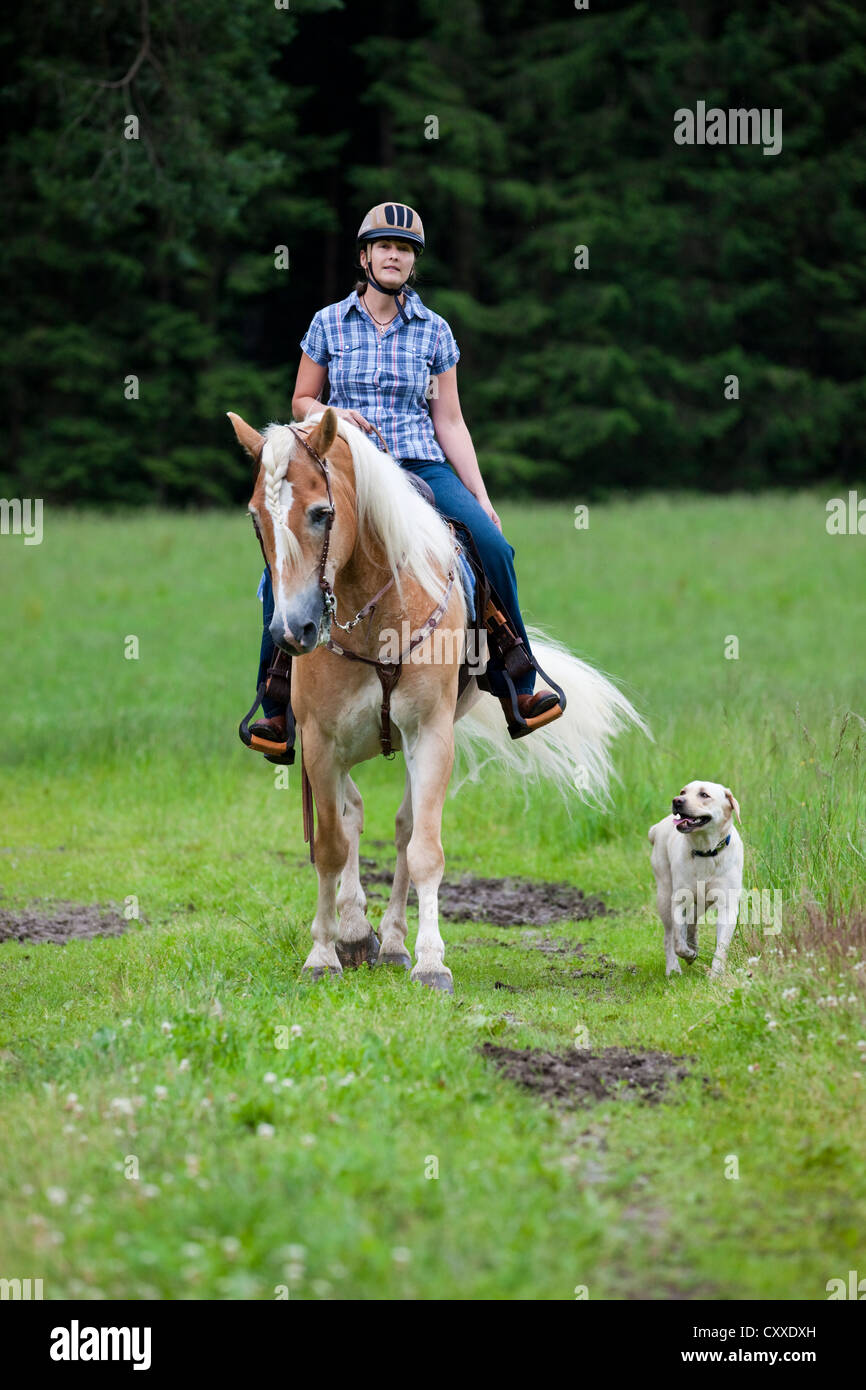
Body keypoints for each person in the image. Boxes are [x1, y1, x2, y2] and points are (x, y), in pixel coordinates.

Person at [246, 200, 563, 750]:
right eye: (384, 247)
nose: (394, 256)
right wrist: (331, 415)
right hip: (347, 471)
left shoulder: (435, 332)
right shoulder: (328, 323)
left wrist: (480, 495)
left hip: (420, 466)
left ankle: (517, 679)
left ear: (413, 264)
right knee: (288, 561)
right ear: (365, 257)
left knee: (493, 546)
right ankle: (275, 705)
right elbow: (301, 399)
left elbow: (451, 420)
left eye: (405, 250)